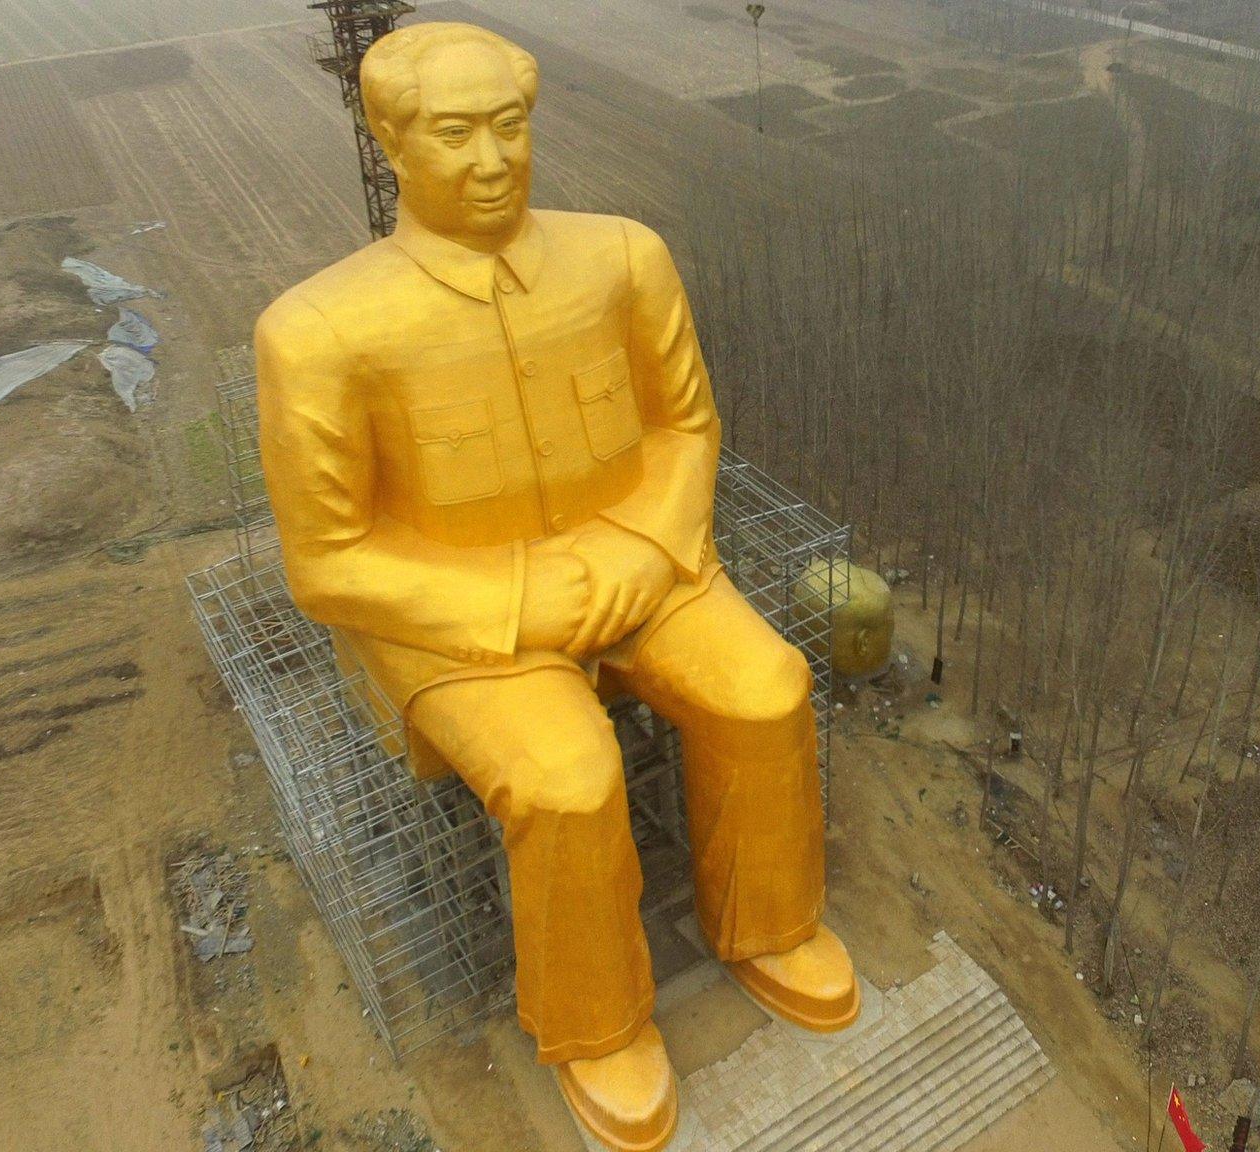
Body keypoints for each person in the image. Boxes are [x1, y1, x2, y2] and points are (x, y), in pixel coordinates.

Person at [253, 22, 858, 1151]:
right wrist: (518, 608)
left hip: (641, 558)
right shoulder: (319, 331)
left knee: (766, 688)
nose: (490, 161)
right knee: (570, 781)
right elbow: (326, 560)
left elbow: (684, 426)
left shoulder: (622, 257)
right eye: (452, 133)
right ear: (389, 140)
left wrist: (647, 548)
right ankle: (595, 1023)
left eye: (509, 126)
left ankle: (766, 923)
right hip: (457, 613)